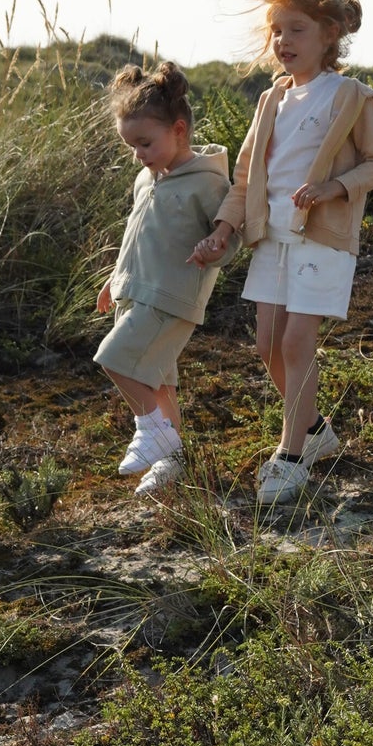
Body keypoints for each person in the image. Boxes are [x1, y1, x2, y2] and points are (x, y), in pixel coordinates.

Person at [191, 0, 373, 508]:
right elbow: (245, 176)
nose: (283, 41)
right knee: (266, 346)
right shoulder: (271, 100)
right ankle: (315, 430)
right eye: (276, 31)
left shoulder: (351, 95)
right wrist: (224, 229)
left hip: (322, 237)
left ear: (329, 34)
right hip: (271, 237)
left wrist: (335, 187)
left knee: (296, 342)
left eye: (296, 29)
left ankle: (290, 455)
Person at [95, 63, 231, 496]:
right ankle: (174, 459)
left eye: (145, 143)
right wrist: (115, 279)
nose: (138, 153)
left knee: (113, 358)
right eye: (131, 146)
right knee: (160, 381)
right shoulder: (146, 177)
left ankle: (153, 431)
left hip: (171, 297)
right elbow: (135, 235)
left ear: (178, 130)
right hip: (137, 293)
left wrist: (216, 245)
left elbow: (231, 234)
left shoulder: (206, 182)